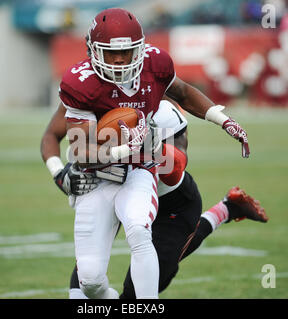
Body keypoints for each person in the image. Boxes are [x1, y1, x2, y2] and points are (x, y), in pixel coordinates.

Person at [52, 8, 250, 299]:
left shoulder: (158, 79)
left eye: (128, 53)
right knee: (89, 281)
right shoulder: (81, 85)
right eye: (110, 54)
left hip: (152, 183)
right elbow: (80, 150)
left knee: (138, 238)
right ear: (92, 51)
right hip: (102, 178)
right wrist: (115, 150)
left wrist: (222, 119)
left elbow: (181, 99)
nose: (119, 61)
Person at [41, 100, 268, 299]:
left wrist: (142, 149)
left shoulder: (162, 110)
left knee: (135, 294)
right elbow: (52, 134)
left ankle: (227, 209)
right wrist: (61, 174)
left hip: (171, 202)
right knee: (85, 284)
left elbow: (176, 165)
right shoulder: (88, 96)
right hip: (115, 192)